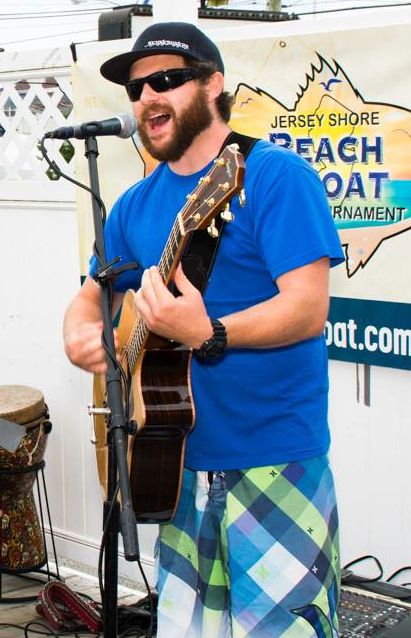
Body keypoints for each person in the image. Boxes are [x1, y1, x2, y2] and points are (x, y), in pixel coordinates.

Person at [63, 21, 344, 638]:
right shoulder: (134, 204)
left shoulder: (273, 176)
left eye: (166, 79)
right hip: (175, 466)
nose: (147, 97)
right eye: (137, 88)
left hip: (272, 460)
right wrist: (83, 336)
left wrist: (209, 331)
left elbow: (307, 307)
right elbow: (91, 299)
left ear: (214, 85)